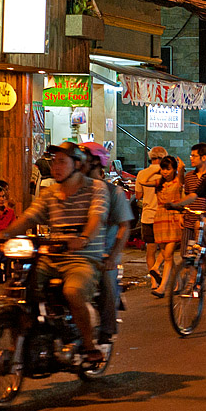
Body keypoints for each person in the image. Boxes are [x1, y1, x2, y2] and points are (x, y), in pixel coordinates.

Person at [0, 142, 108, 364]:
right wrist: (1, 236)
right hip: (50, 256)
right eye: (54, 162)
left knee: (73, 291)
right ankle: (24, 342)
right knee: (20, 289)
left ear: (78, 164)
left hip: (83, 257)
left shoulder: (95, 189)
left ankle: (90, 346)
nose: (56, 166)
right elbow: (29, 218)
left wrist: (82, 239)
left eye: (62, 161)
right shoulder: (50, 193)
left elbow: (96, 219)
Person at [79, 142, 133, 344]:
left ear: (96, 163)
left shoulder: (113, 193)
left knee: (107, 280)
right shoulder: (72, 190)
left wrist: (112, 256)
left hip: (103, 253)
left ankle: (106, 330)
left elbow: (124, 227)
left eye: (82, 160)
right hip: (76, 252)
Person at [141, 156, 184, 298]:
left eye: (168, 169)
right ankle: (177, 283)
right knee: (166, 255)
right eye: (163, 169)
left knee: (169, 254)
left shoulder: (178, 182)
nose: (165, 172)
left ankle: (162, 287)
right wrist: (155, 169)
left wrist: (180, 169)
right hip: (159, 219)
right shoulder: (159, 182)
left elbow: (182, 176)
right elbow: (142, 180)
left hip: (173, 218)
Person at [135, 146, 167, 287]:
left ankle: (154, 282)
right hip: (163, 216)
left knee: (150, 250)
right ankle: (165, 279)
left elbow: (138, 196)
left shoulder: (142, 174)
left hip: (148, 216)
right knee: (166, 250)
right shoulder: (167, 173)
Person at [180, 143, 206, 256]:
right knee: (186, 255)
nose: (191, 158)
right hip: (189, 221)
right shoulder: (189, 176)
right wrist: (182, 213)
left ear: (204, 157)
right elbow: (186, 196)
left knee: (203, 257)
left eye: (194, 156)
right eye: (191, 156)